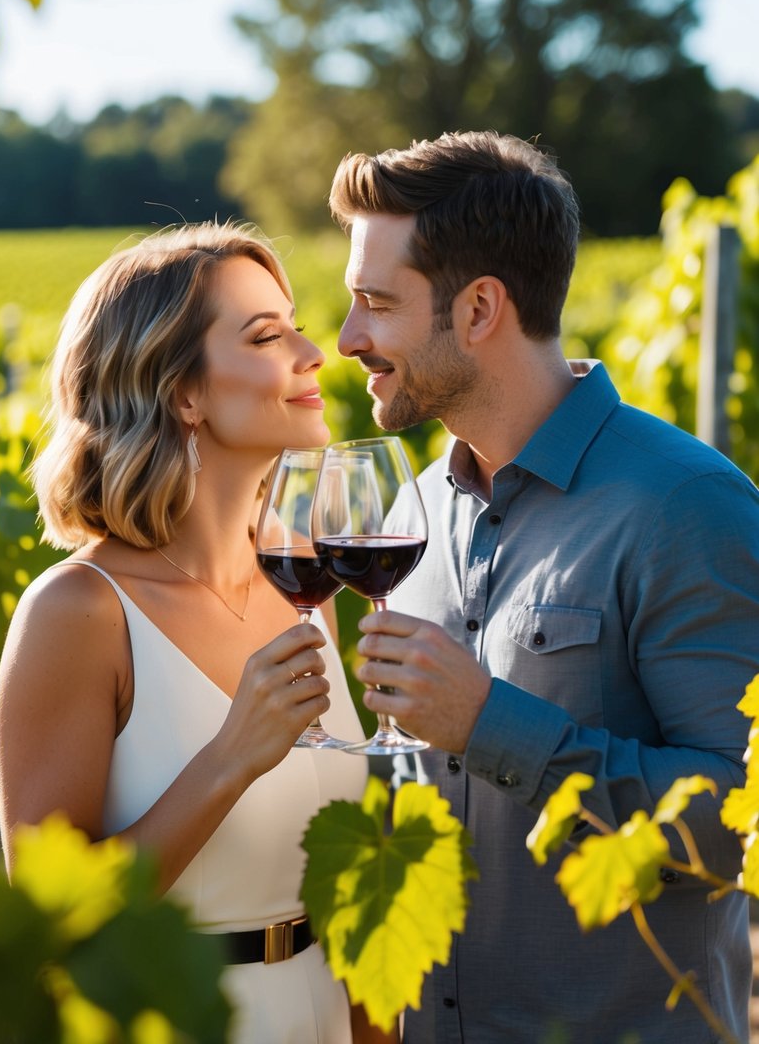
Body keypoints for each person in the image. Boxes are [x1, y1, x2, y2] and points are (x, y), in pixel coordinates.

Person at [328, 130, 759, 1044]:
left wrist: (491, 723)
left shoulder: (686, 506)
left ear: (480, 307)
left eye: (374, 302)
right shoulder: (410, 517)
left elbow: (737, 829)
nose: (347, 338)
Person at [0, 223, 389, 1044]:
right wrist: (227, 760)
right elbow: (47, 927)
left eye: (295, 324)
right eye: (265, 335)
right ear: (183, 393)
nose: (314, 352)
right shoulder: (79, 613)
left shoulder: (304, 591)